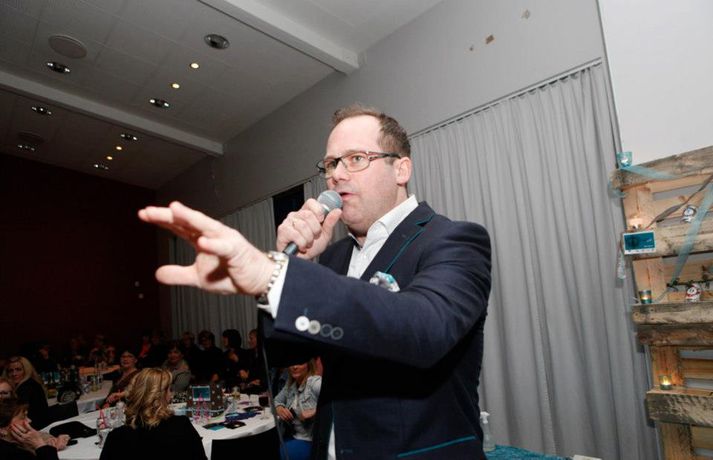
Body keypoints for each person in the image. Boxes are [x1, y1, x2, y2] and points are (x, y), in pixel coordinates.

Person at [138, 104, 491, 459]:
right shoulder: (334, 257)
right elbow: (284, 353)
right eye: (331, 163)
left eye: (356, 159)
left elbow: (426, 330)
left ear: (401, 169)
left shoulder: (454, 239)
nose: (337, 174)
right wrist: (296, 263)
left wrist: (275, 274)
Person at [99, 368, 207, 460]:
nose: (171, 395)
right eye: (169, 390)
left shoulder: (116, 437)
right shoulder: (182, 425)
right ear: (161, 396)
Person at [274, 360, 322, 460]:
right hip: (294, 436)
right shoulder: (290, 385)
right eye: (292, 363)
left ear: (308, 364)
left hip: (312, 440)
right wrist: (279, 407)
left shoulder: (315, 382)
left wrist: (316, 411)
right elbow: (276, 401)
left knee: (287, 451)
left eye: (300, 362)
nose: (294, 367)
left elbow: (337, 401)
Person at [0, 398, 67, 459]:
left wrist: (47, 442)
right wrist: (40, 445)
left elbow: (41, 435)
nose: (29, 420)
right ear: (3, 430)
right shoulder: (12, 453)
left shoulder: (16, 443)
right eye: (23, 417)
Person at [2, 357, 49, 430]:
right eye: (10, 371)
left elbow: (16, 415)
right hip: (38, 426)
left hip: (35, 428)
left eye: (18, 369)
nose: (14, 374)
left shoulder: (26, 387)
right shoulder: (30, 383)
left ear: (26, 370)